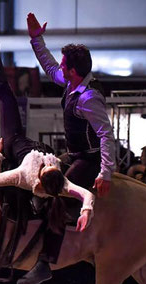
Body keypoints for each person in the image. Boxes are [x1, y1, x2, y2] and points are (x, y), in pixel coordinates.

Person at [0, 13, 95, 284]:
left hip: (16, 143)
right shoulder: (61, 180)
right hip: (41, 149)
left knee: (4, 93)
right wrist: (86, 210)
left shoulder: (24, 175)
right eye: (56, 166)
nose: (54, 164)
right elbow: (85, 194)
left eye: (52, 166)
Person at [27, 13, 116, 196]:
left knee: (58, 191)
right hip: (74, 155)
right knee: (43, 178)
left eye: (63, 64)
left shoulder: (88, 98)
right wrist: (36, 38)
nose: (60, 66)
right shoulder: (71, 82)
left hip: (90, 159)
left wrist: (105, 173)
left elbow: (106, 134)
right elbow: (51, 68)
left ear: (73, 71)